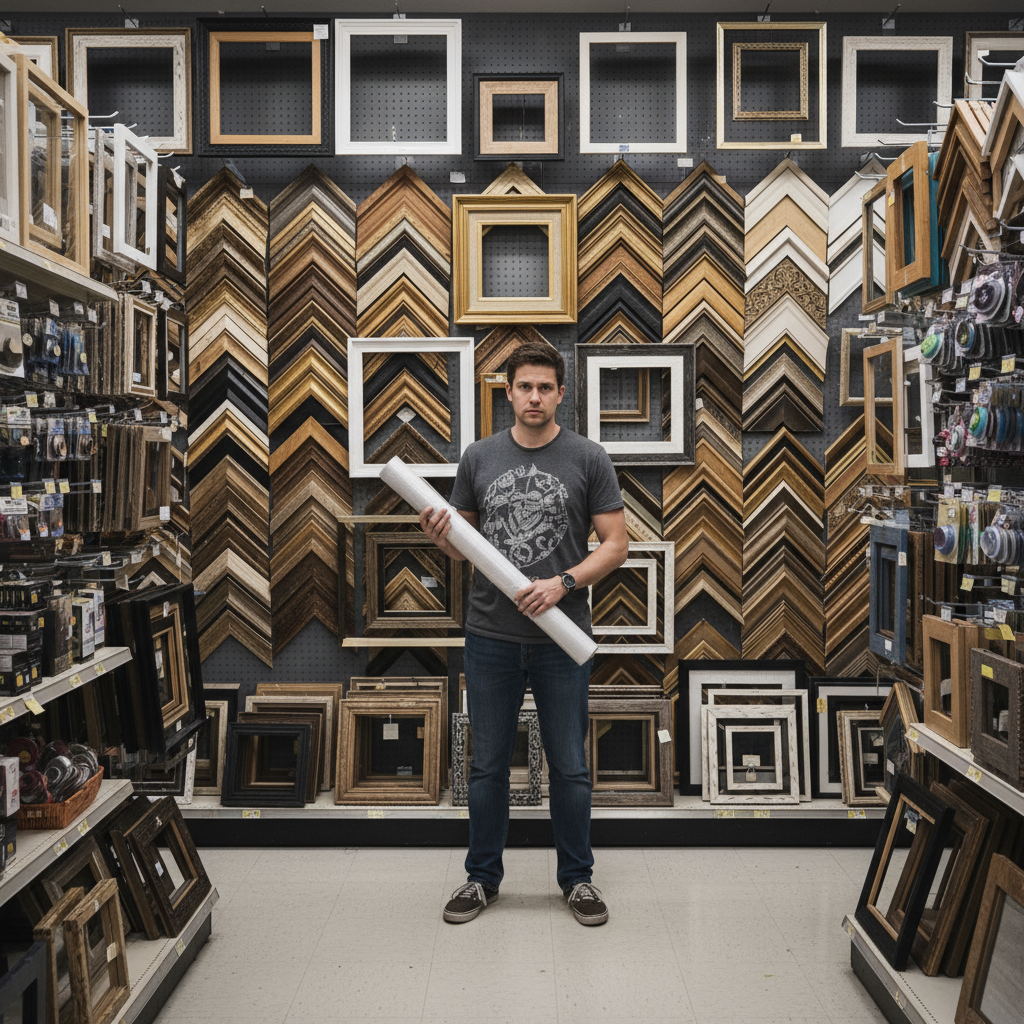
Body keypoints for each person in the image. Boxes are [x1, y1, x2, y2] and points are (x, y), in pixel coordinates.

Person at [419, 340, 628, 926]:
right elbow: (464, 543)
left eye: (545, 387)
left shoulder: (588, 457)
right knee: (486, 765)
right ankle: (481, 879)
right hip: (490, 635)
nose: (534, 397)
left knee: (568, 765)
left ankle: (577, 880)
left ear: (562, 393)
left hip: (562, 637)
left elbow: (617, 544)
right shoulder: (479, 457)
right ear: (506, 393)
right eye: (524, 387)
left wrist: (562, 582)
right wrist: (440, 534)